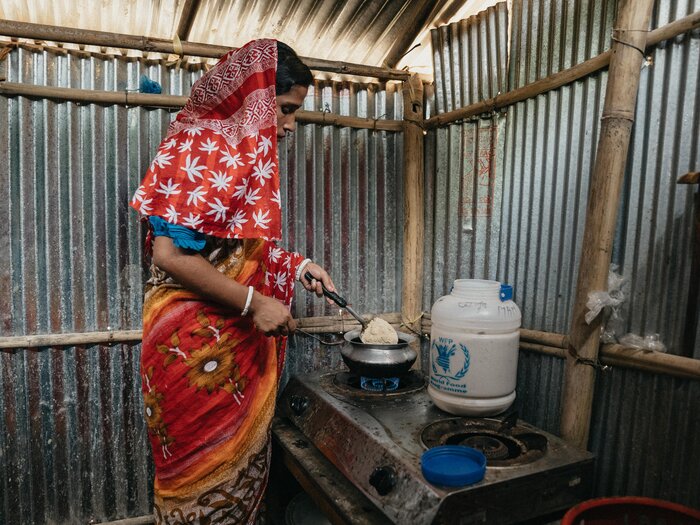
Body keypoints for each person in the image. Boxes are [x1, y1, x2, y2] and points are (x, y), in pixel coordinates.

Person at [130, 39, 335, 524]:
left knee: (233, 477)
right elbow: (173, 254)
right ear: (258, 99)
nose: (290, 126)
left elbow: (233, 249)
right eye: (285, 110)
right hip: (193, 351)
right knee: (199, 478)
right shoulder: (202, 146)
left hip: (228, 349)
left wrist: (297, 267)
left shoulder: (240, 153)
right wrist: (256, 303)